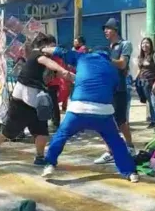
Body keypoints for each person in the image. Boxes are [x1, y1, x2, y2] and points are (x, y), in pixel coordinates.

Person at [39, 46, 139, 182]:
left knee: (61, 135)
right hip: (103, 113)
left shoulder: (82, 57)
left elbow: (60, 51)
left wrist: (44, 48)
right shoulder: (112, 69)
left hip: (78, 110)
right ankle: (130, 173)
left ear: (91, 52)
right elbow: (112, 88)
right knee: (116, 142)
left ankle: (49, 164)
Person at [0, 34, 74, 165]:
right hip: (21, 101)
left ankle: (39, 157)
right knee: (10, 130)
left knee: (42, 131)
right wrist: (61, 69)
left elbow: (60, 72)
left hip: (36, 100)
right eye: (51, 45)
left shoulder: (49, 58)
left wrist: (76, 77)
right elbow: (50, 64)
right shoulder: (37, 55)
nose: (53, 48)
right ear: (44, 46)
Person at [94, 18, 135, 164]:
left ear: (115, 30)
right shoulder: (108, 47)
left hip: (120, 89)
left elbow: (123, 64)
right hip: (107, 89)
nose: (105, 31)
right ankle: (109, 151)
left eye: (108, 28)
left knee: (121, 120)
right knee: (106, 121)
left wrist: (104, 59)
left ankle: (130, 146)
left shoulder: (125, 44)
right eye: (105, 29)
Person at [137, 37, 155, 131]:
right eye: (143, 43)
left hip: (152, 82)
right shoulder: (141, 57)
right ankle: (153, 121)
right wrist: (136, 81)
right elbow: (140, 70)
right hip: (144, 83)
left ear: (151, 45)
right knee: (150, 102)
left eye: (147, 43)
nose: (145, 45)